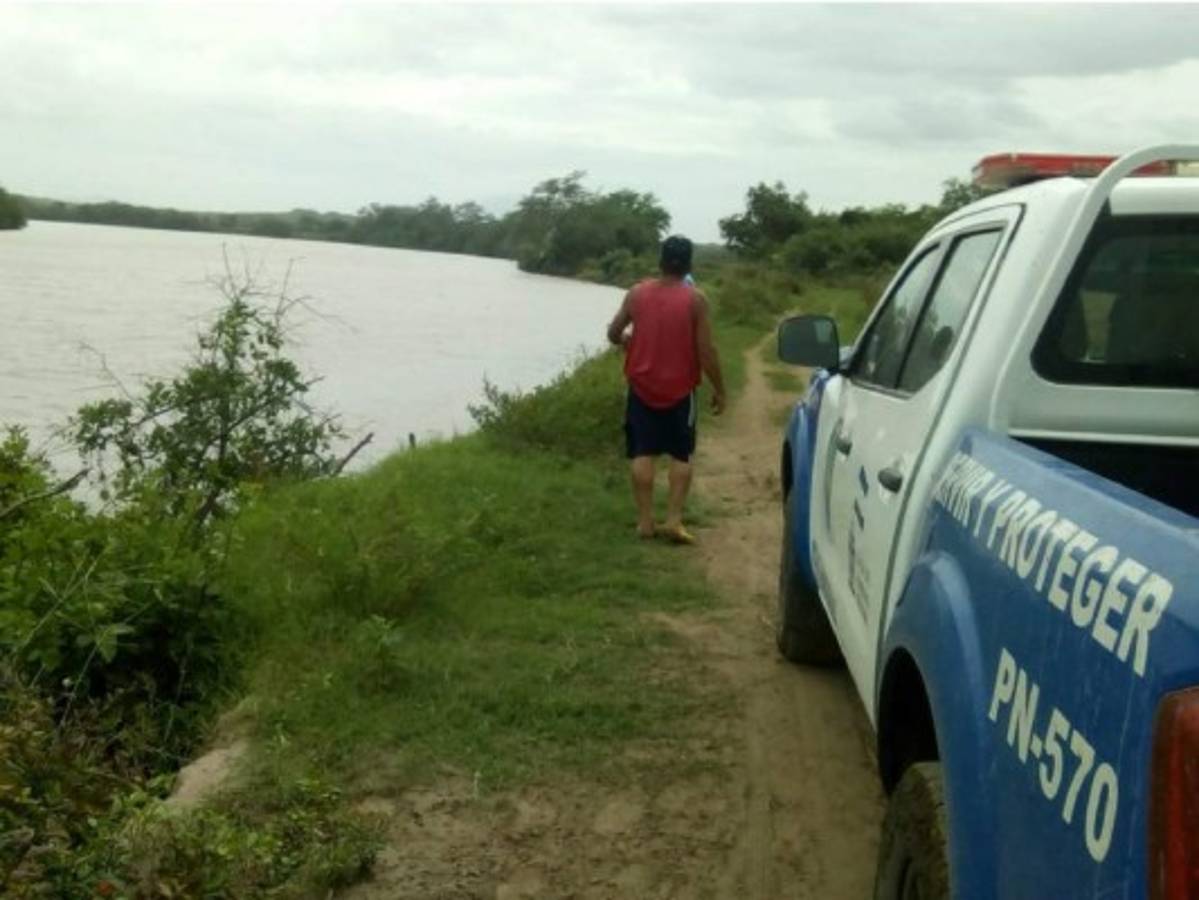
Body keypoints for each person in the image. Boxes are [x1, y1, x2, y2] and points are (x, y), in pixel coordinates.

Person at [606, 235, 726, 543]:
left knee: (642, 451)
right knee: (681, 454)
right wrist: (719, 388)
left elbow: (613, 332)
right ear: (688, 264)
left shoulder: (636, 294)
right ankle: (673, 521)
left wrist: (626, 341)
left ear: (660, 262)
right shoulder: (696, 300)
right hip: (680, 390)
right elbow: (706, 351)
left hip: (641, 387)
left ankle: (645, 522)